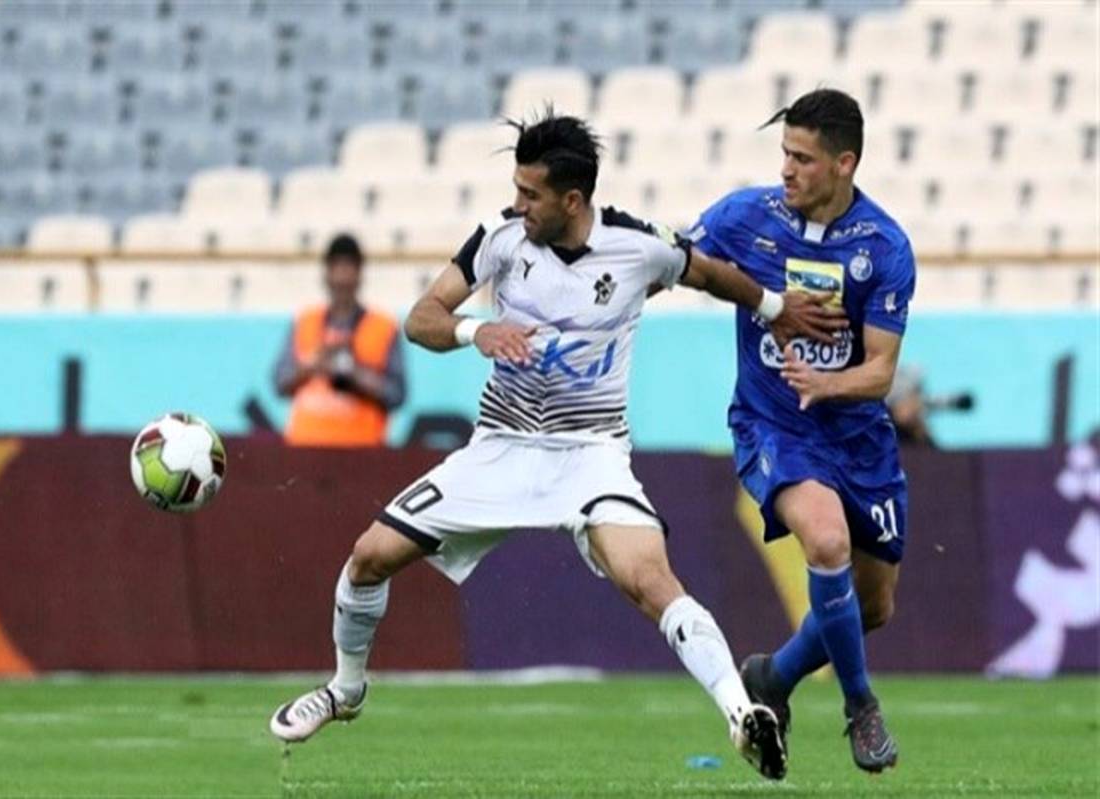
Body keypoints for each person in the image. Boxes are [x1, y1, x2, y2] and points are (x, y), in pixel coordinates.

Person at [268, 112, 845, 781]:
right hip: (501, 446)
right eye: (516, 189)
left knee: (651, 580)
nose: (518, 204)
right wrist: (476, 332)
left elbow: (712, 276)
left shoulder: (639, 247)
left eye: (531, 193)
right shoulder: (500, 238)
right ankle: (345, 690)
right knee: (369, 557)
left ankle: (743, 714)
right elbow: (422, 319)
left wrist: (774, 307)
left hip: (590, 454)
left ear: (572, 200)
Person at [686, 88, 915, 773]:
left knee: (874, 605)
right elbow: (683, 262)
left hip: (858, 438)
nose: (786, 169)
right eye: (784, 153)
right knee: (826, 538)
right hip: (774, 425)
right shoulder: (744, 217)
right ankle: (861, 707)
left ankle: (773, 677)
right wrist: (760, 300)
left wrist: (827, 383)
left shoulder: (884, 246)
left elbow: (880, 371)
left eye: (803, 158)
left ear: (845, 163)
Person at [273, 233, 406, 447]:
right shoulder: (306, 321)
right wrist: (313, 364)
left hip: (361, 449)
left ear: (359, 274)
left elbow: (397, 394)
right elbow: (280, 381)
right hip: (305, 447)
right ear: (326, 274)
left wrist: (353, 372)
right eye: (336, 268)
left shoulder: (383, 326)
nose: (342, 278)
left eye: (348, 268)